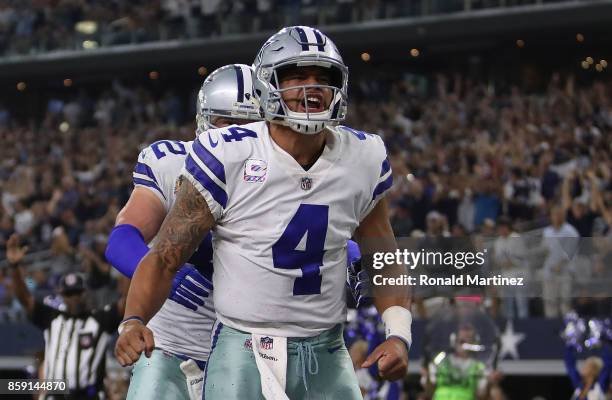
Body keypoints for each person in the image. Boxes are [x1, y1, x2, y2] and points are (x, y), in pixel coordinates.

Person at [115, 25, 411, 399]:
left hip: (325, 346)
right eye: (297, 76)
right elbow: (161, 256)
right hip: (234, 342)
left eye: (324, 77)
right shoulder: (223, 155)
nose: (311, 87)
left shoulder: (363, 156)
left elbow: (380, 252)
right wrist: (134, 319)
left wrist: (398, 331)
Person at [105, 64, 261, 400]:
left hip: (252, 355)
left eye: (252, 125)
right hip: (173, 348)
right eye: (228, 123)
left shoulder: (281, 179)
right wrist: (167, 275)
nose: (238, 135)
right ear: (205, 121)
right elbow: (121, 240)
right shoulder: (172, 163)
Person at [6, 234, 124, 400]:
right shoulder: (51, 317)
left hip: (89, 395)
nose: (74, 297)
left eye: (77, 292)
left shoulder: (100, 319)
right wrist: (14, 266)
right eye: (69, 294)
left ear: (85, 293)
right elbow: (25, 299)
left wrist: (129, 261)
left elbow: (126, 302)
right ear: (62, 295)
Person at [423, 324, 499, 400]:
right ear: (454, 340)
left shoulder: (479, 367)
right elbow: (429, 390)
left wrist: (490, 384)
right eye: (461, 340)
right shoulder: (440, 361)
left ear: (474, 342)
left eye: (468, 339)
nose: (464, 342)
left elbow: (481, 395)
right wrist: (427, 376)